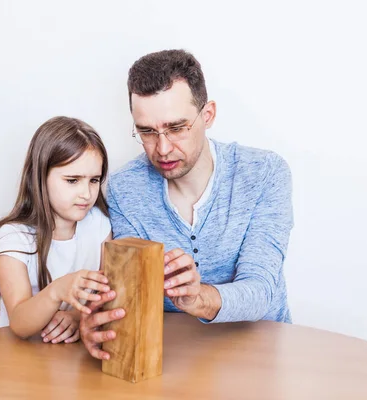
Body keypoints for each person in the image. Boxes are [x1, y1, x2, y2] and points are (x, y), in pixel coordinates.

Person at [80, 49, 294, 360]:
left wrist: (199, 297)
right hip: (172, 359)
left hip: (261, 353)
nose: (163, 148)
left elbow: (262, 290)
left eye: (177, 128)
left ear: (208, 115)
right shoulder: (124, 188)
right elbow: (129, 292)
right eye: (147, 132)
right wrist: (97, 323)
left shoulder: (264, 173)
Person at [0, 116, 112, 344]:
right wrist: (58, 291)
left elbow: (105, 290)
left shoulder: (98, 224)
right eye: (72, 180)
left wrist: (77, 316)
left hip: (69, 356)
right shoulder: (13, 237)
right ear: (40, 177)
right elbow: (19, 322)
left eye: (94, 180)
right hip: (17, 357)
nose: (86, 193)